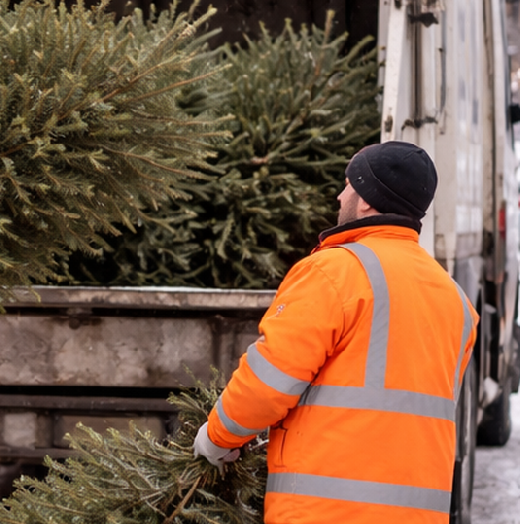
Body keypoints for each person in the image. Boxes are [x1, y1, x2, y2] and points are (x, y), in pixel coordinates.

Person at [192, 141, 478, 524]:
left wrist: (217, 437)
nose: (340, 194)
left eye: (348, 184)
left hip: (325, 511)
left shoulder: (333, 273)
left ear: (366, 202)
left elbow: (270, 381)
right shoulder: (455, 300)